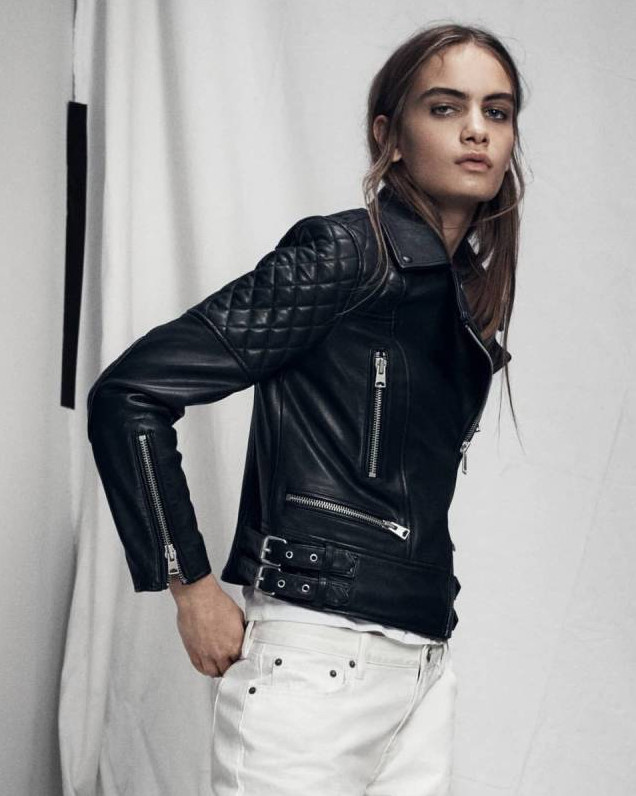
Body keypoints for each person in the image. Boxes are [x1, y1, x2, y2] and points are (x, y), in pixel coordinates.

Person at [87, 21, 525, 796]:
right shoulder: (344, 256)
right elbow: (131, 394)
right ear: (388, 135)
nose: (476, 130)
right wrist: (190, 585)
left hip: (422, 667)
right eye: (445, 107)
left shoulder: (458, 298)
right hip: (316, 659)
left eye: (497, 111)